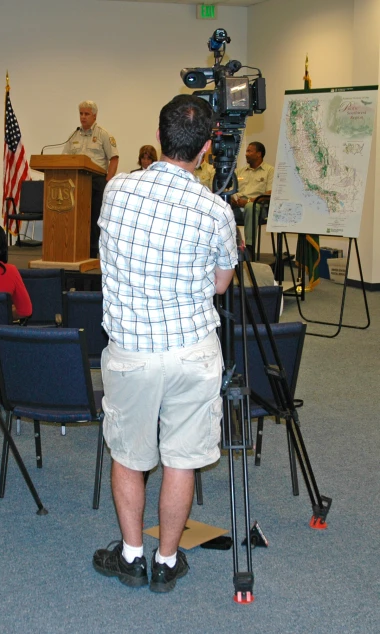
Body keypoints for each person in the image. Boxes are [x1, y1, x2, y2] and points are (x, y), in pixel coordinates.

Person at [94, 94, 238, 593]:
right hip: (192, 351)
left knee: (129, 455)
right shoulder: (217, 211)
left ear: (159, 138)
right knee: (181, 458)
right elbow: (221, 286)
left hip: (132, 351)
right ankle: (167, 560)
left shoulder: (116, 191)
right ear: (204, 151)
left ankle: (131, 555)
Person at [62, 100, 119, 259]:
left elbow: (113, 158)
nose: (83, 117)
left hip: (96, 182)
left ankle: (93, 253)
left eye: (86, 114)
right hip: (76, 183)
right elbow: (64, 158)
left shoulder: (103, 134)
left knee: (94, 219)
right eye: (81, 113)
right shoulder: (74, 135)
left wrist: (108, 182)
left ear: (94, 115)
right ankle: (76, 250)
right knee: (77, 219)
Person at [232, 141, 274, 249]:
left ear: (258, 154)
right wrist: (233, 199)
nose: (246, 154)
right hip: (238, 205)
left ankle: (249, 248)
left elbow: (269, 194)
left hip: (259, 208)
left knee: (250, 207)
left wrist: (249, 201)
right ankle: (228, 249)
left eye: (249, 151)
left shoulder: (269, 171)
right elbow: (231, 190)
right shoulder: (239, 171)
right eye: (246, 151)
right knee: (223, 206)